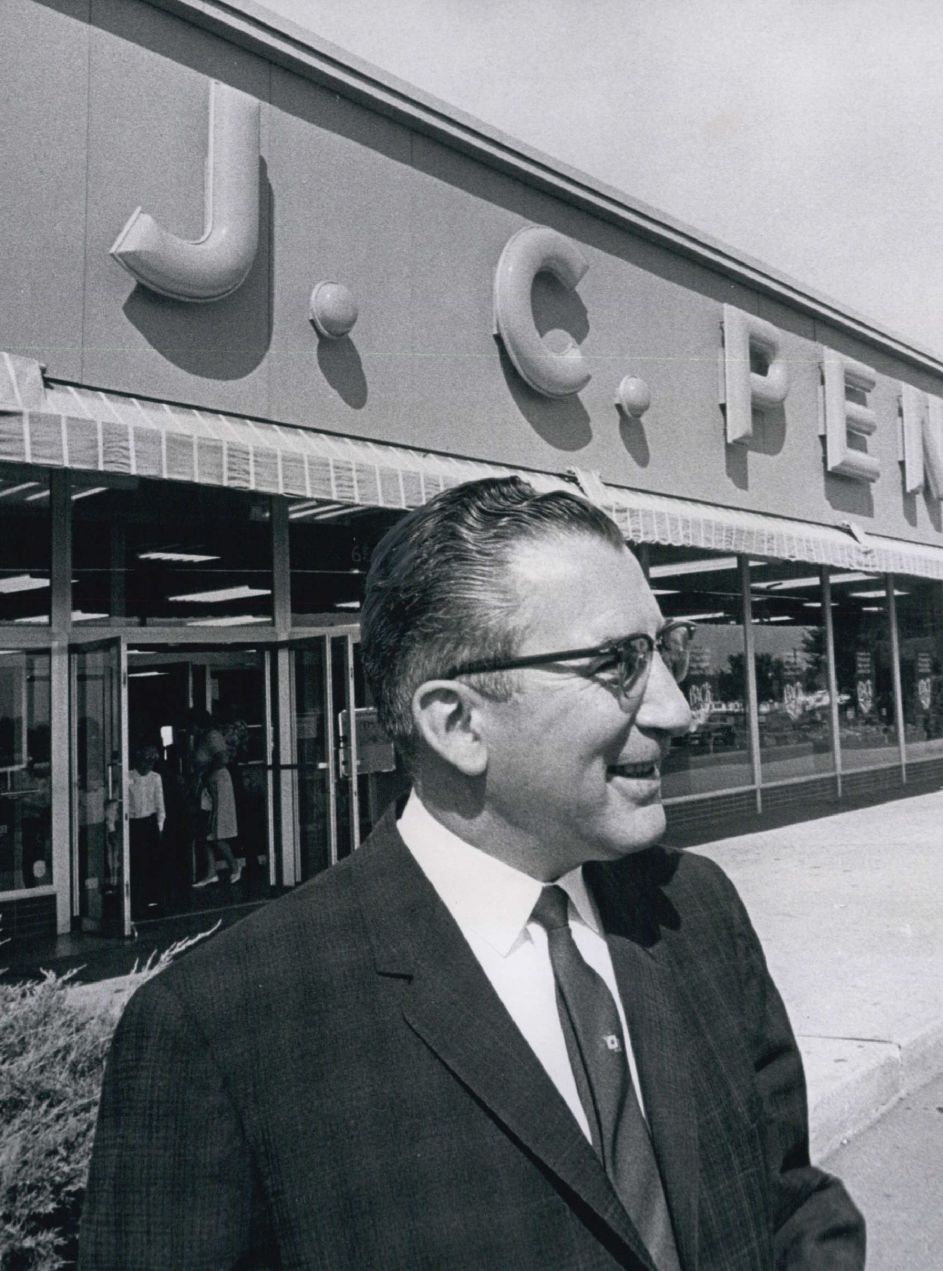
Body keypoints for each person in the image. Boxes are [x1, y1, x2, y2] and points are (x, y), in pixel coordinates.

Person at [80, 477, 865, 1269]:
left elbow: (792, 1203)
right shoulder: (224, 1029)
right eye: (618, 662)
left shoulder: (695, 909)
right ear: (457, 722)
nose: (674, 708)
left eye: (665, 648)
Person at [191, 726, 240, 889]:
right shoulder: (202, 738)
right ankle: (211, 872)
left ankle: (234, 867)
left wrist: (205, 772)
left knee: (216, 832)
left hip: (217, 785)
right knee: (205, 833)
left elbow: (222, 758)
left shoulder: (212, 735)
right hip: (208, 787)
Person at [125, 743, 166, 917]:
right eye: (145, 761)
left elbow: (160, 805)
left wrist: (159, 827)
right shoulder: (127, 776)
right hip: (133, 823)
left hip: (149, 824)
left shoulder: (155, 778)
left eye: (151, 762)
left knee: (152, 862)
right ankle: (136, 900)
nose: (147, 766)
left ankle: (153, 899)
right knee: (136, 862)